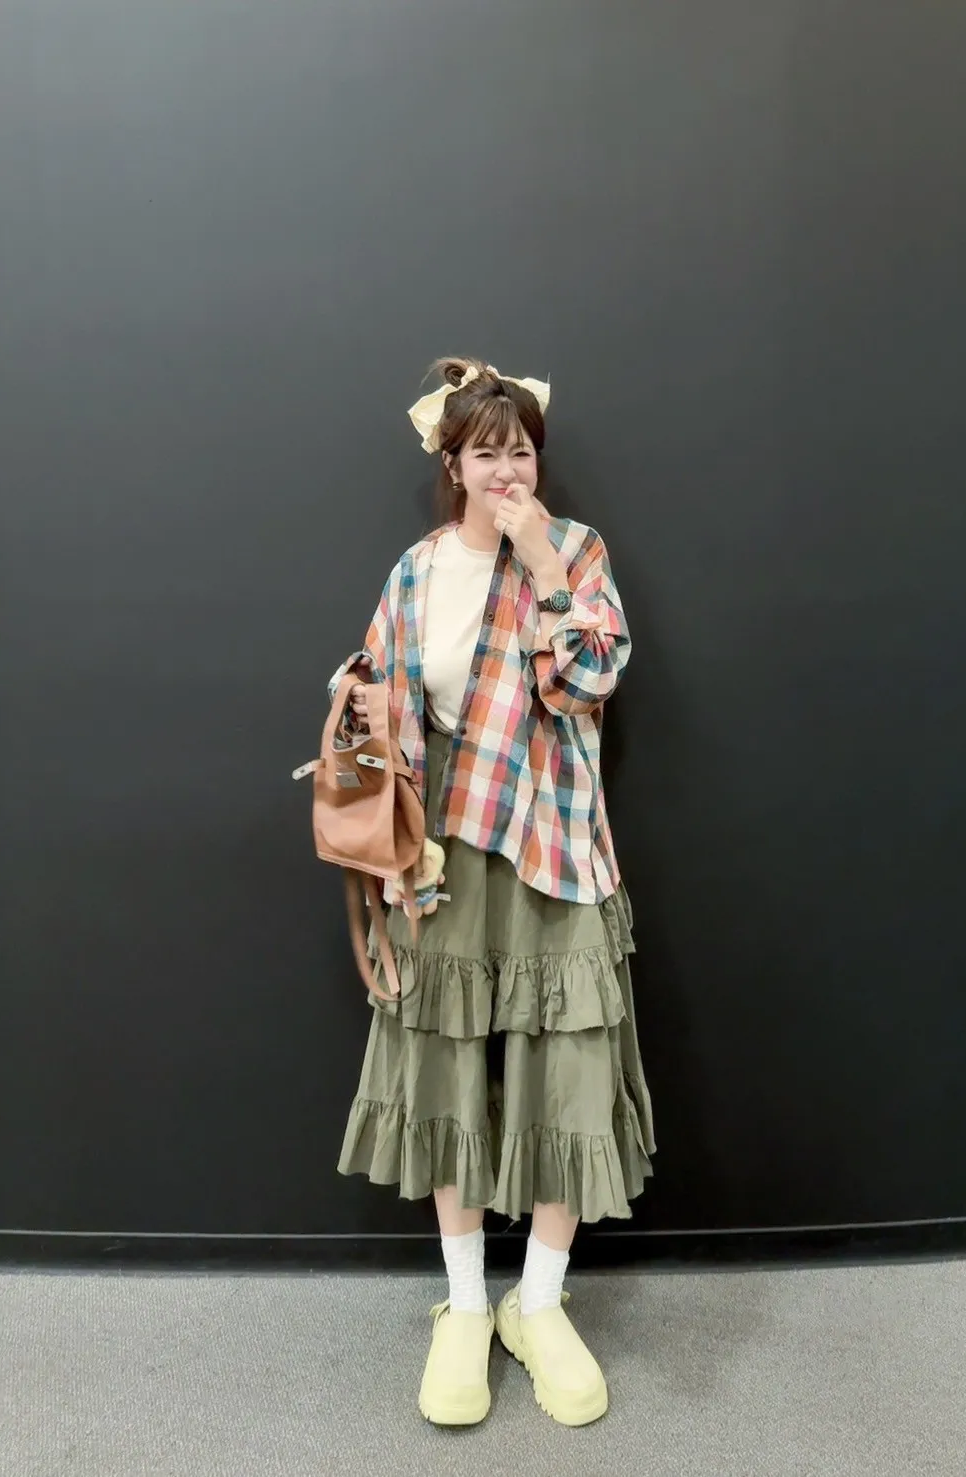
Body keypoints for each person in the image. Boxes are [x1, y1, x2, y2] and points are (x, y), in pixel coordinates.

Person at [330, 357, 655, 1428]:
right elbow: (380, 698)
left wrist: (541, 558)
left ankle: (540, 1302)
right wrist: (361, 713)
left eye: (519, 450)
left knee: (569, 1073)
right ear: (453, 463)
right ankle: (467, 1305)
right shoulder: (417, 571)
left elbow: (593, 676)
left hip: (555, 845)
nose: (506, 468)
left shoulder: (576, 550)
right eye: (485, 452)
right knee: (447, 1074)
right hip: (445, 855)